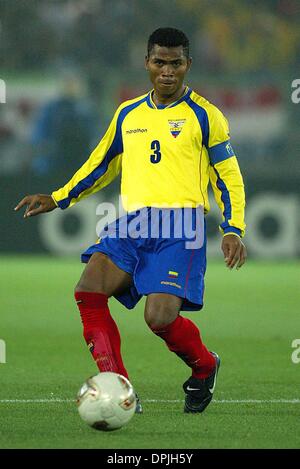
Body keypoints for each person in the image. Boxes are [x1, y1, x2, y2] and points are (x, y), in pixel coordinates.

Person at [15, 27, 246, 414]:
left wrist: (233, 228)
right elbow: (100, 164)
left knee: (159, 319)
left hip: (180, 228)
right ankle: (120, 390)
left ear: (188, 65)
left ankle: (205, 366)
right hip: (133, 224)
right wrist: (58, 197)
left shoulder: (206, 117)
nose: (167, 71)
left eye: (176, 63)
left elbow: (228, 175)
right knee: (88, 290)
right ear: (147, 64)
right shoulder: (128, 113)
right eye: (160, 62)